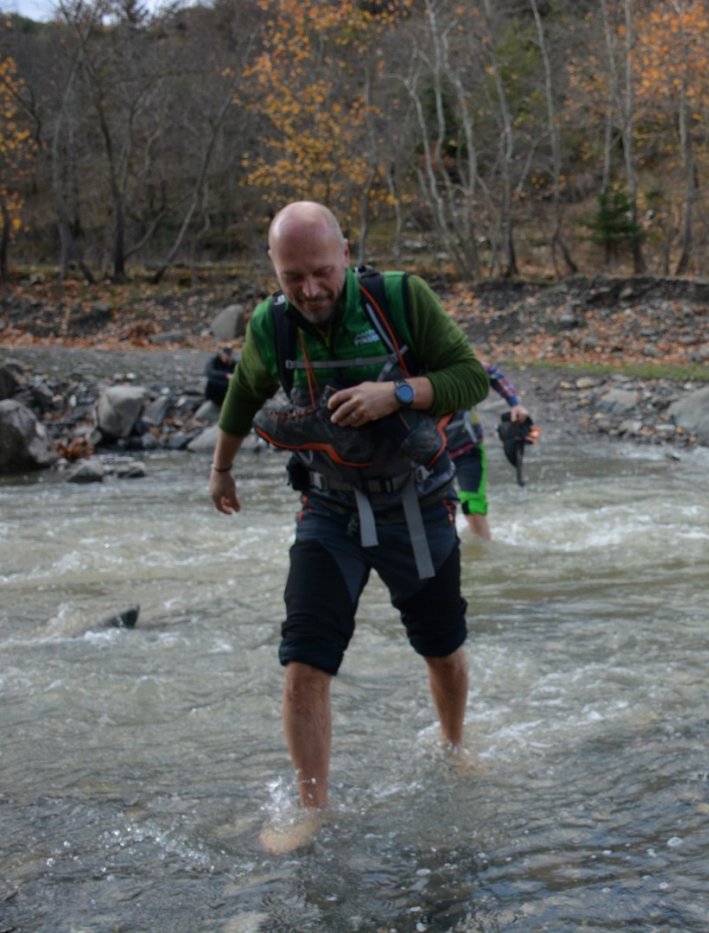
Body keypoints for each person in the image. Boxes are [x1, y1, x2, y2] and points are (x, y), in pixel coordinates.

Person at [206, 201, 488, 854]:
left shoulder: (400, 299)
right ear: (275, 271)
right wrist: (221, 469)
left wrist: (399, 393)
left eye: (323, 272)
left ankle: (453, 744)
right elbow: (245, 394)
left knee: (441, 647)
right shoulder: (271, 327)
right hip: (328, 510)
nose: (310, 290)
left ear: (346, 257)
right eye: (293, 276)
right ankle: (313, 807)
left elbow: (469, 378)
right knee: (304, 662)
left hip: (416, 508)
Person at [444, 358, 531, 541]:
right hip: (429, 455)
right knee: (436, 510)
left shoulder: (456, 358)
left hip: (468, 447)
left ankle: (482, 548)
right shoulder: (409, 367)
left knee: (473, 505)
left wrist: (515, 404)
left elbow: (494, 374)